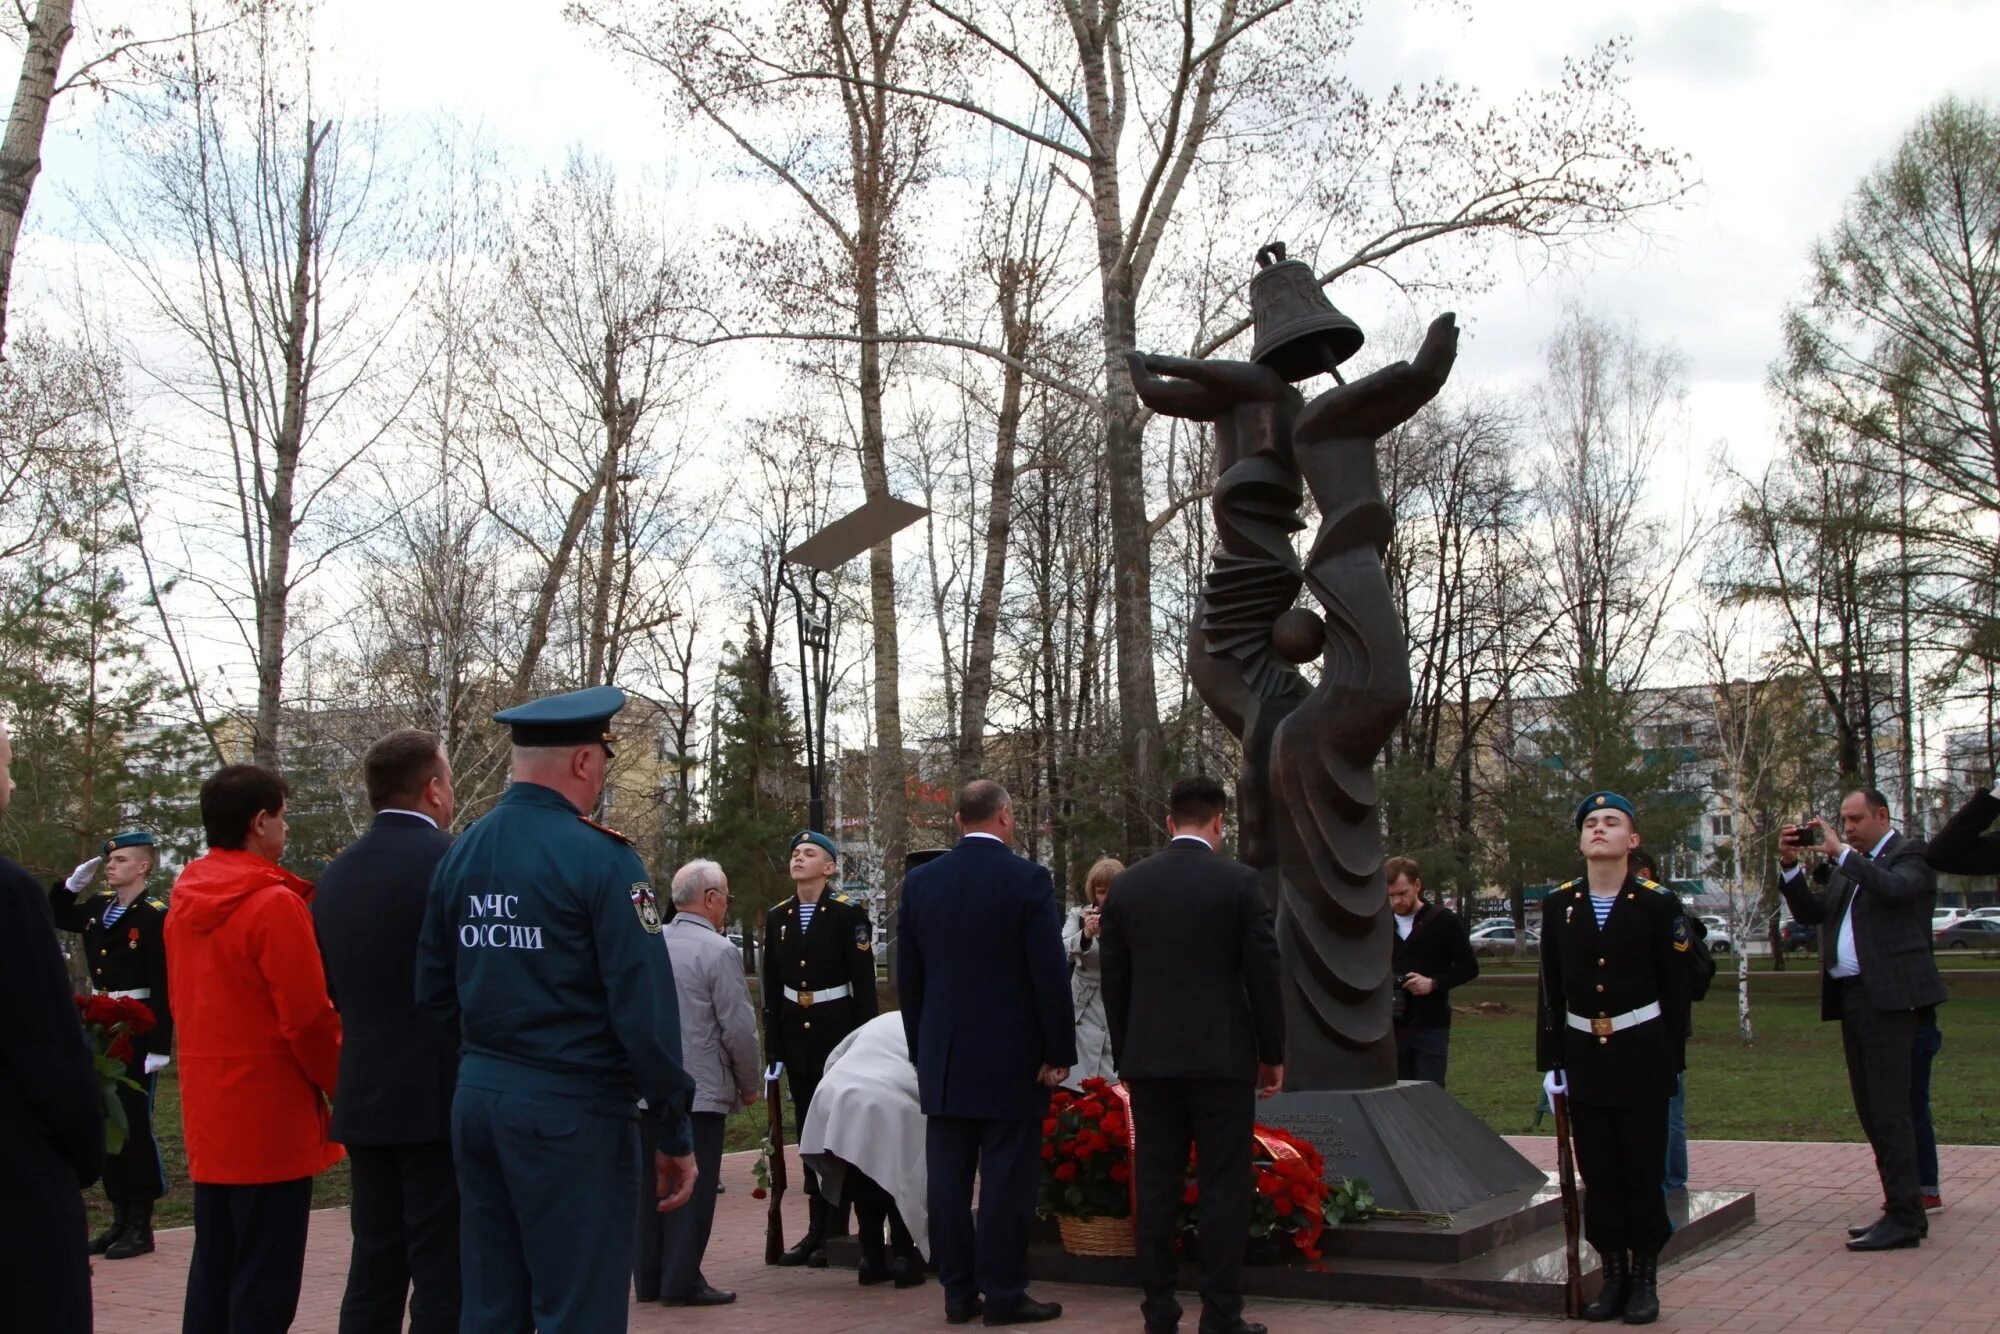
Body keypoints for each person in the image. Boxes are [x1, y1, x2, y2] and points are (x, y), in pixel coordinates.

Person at [416, 685, 697, 1333]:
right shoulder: (602, 858)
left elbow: (432, 990)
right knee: (580, 1307)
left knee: (491, 1305)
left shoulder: (462, 852)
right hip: (572, 1113)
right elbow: (645, 1013)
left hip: (481, 1100)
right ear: (582, 762)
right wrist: (673, 1129)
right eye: (601, 757)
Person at [1101, 775, 1285, 1334]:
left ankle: (1159, 1311)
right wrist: (1272, 1052)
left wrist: (1128, 1051)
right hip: (1222, 1058)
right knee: (1223, 1186)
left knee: (1155, 1185)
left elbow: (1116, 979)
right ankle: (1221, 1314)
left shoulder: (1129, 887)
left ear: (1168, 821)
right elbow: (1263, 972)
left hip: (1151, 1059)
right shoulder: (1238, 883)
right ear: (1219, 823)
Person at [167, 763, 345, 1334]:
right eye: (283, 817)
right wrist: (344, 1082)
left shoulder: (183, 902)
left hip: (209, 1112)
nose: (286, 830)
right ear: (260, 821)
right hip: (269, 1117)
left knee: (215, 1268)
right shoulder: (273, 904)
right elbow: (307, 1018)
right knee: (265, 1279)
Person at [899, 779, 1074, 1327]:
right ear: (1005, 816)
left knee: (948, 1180)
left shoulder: (921, 883)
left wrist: (920, 1046)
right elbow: (1047, 972)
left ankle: (956, 1291)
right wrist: (1057, 1048)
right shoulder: (1027, 880)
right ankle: (1003, 1291)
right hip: (1010, 1056)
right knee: (1006, 1180)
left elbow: (909, 977)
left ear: (957, 820)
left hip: (945, 1056)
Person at [313, 729, 461, 1334]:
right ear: (432, 790)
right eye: (448, 781)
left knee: (373, 1264)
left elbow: (330, 983)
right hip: (439, 1089)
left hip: (366, 1091)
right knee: (442, 1268)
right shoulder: (453, 861)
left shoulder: (336, 877)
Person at [1537, 791, 1690, 1325]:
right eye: (1590, 823)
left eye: (1611, 822)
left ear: (1633, 840)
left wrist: (1672, 1054)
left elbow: (1677, 988)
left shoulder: (1657, 903)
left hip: (1641, 1051)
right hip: (1585, 1056)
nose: (1599, 829)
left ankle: (1645, 1278)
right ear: (1580, 839)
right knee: (1599, 1174)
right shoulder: (1560, 906)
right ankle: (1615, 1275)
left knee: (1642, 1171)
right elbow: (1550, 991)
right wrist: (1551, 1062)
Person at [1778, 789, 1945, 1252]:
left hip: (1891, 1000)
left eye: (1856, 819)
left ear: (1882, 816)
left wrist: (1844, 855)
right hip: (1852, 999)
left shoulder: (1906, 854)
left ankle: (1906, 1216)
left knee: (1891, 1110)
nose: (1847, 827)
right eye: (1843, 820)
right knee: (1872, 1110)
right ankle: (1900, 1207)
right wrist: (1791, 866)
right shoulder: (1853, 869)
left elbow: (1896, 890)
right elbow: (1813, 913)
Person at [0, 712, 104, 1334]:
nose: (11, 785)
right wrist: (83, 1147)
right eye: (7, 765)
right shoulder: (10, 896)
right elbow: (44, 1047)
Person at [636, 859, 760, 1308]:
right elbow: (738, 1028)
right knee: (693, 1186)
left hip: (647, 1086)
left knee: (651, 1184)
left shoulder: (650, 942)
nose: (727, 906)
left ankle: (649, 1278)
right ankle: (681, 1279)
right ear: (710, 899)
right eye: (725, 897)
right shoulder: (718, 950)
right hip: (700, 1087)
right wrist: (750, 1084)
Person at [49, 827, 173, 1258]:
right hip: (103, 1026)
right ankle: (119, 1219)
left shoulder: (155, 914)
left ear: (143, 866)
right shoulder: (99, 908)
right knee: (108, 1121)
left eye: (120, 861)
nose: (111, 867)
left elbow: (163, 981)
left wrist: (160, 1043)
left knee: (135, 1123)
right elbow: (56, 914)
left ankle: (141, 1223)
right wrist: (69, 886)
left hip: (137, 1027)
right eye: (109, 861)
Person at [762, 827, 879, 1266]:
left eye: (809, 853)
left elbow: (864, 988)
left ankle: (839, 1226)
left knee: (840, 1130)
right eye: (795, 853)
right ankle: (817, 1229)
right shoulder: (779, 918)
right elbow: (772, 991)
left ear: (829, 867)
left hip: (838, 1033)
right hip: (798, 1037)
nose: (798, 859)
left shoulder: (849, 914)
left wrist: (864, 1043)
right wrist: (774, 1048)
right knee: (809, 1130)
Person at [799, 1011, 929, 1289]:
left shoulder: (878, 1021)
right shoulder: (929, 1021)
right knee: (899, 1174)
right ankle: (904, 1257)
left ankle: (870, 1259)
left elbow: (834, 1058)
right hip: (894, 1096)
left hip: (840, 1091)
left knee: (863, 1174)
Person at [1628, 845, 1702, 1195]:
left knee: (1669, 1109)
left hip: (1664, 1026)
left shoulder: (1666, 911)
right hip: (1625, 1027)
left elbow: (1688, 972)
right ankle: (1641, 1178)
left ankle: (1671, 1182)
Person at [1385, 855, 1477, 1089]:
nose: (1397, 901)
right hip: (1391, 1027)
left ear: (1417, 886)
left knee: (1430, 1095)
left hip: (1431, 1025)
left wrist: (1433, 983)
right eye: (1391, 895)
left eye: (1402, 893)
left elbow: (1469, 967)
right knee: (1395, 1095)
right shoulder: (1380, 924)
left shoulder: (1443, 921)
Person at [1062, 857, 1123, 1086]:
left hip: (1114, 1004)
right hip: (1082, 1008)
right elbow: (1060, 951)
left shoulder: (1132, 917)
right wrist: (1085, 935)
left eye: (1112, 891)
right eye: (1101, 891)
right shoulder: (1078, 915)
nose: (1106, 898)